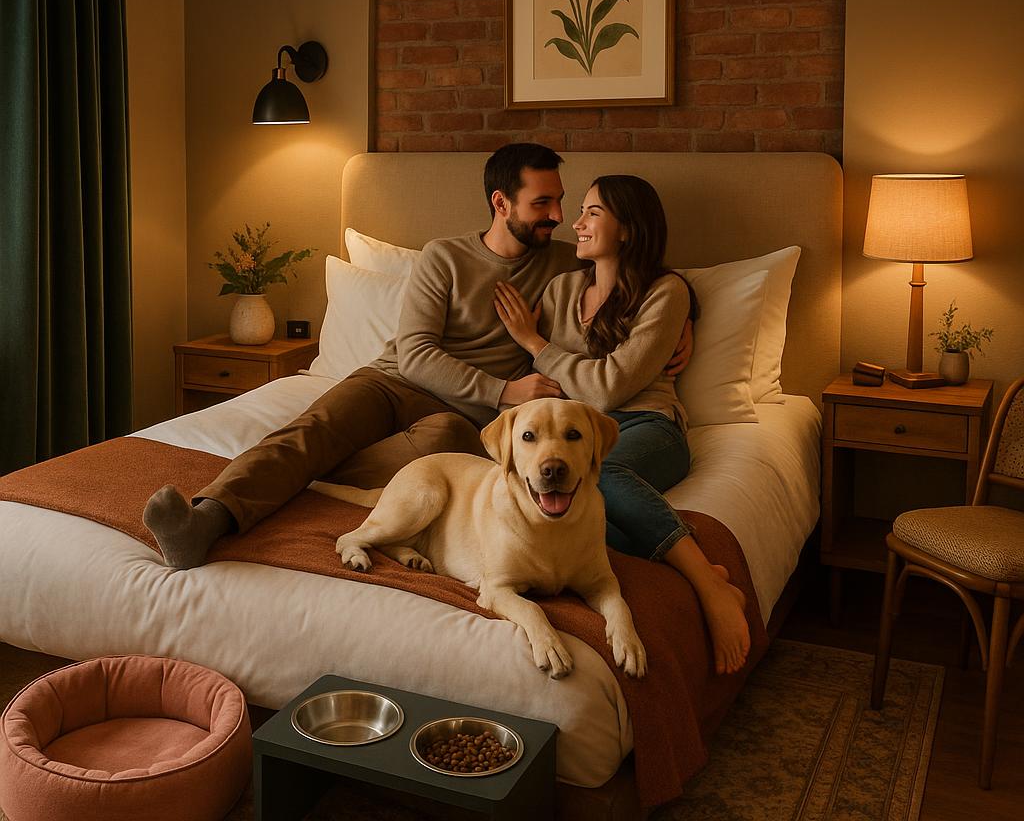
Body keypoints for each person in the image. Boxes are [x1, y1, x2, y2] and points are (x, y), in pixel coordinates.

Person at [143, 144, 693, 569]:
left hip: (463, 419)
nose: (558, 215)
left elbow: (637, 277)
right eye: (542, 203)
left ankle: (301, 480)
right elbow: (416, 354)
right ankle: (204, 521)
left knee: (444, 449)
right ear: (501, 204)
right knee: (315, 428)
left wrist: (687, 319)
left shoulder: (564, 264)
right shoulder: (444, 257)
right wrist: (505, 391)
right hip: (395, 383)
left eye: (562, 202)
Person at [493, 175, 750, 675]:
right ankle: (679, 547)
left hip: (648, 425)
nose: (576, 222)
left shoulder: (667, 292)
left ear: (628, 228)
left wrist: (535, 343)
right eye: (581, 211)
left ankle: (709, 585)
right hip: (573, 432)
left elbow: (611, 386)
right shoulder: (562, 287)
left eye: (592, 213)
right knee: (574, 516)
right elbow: (546, 383)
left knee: (598, 475)